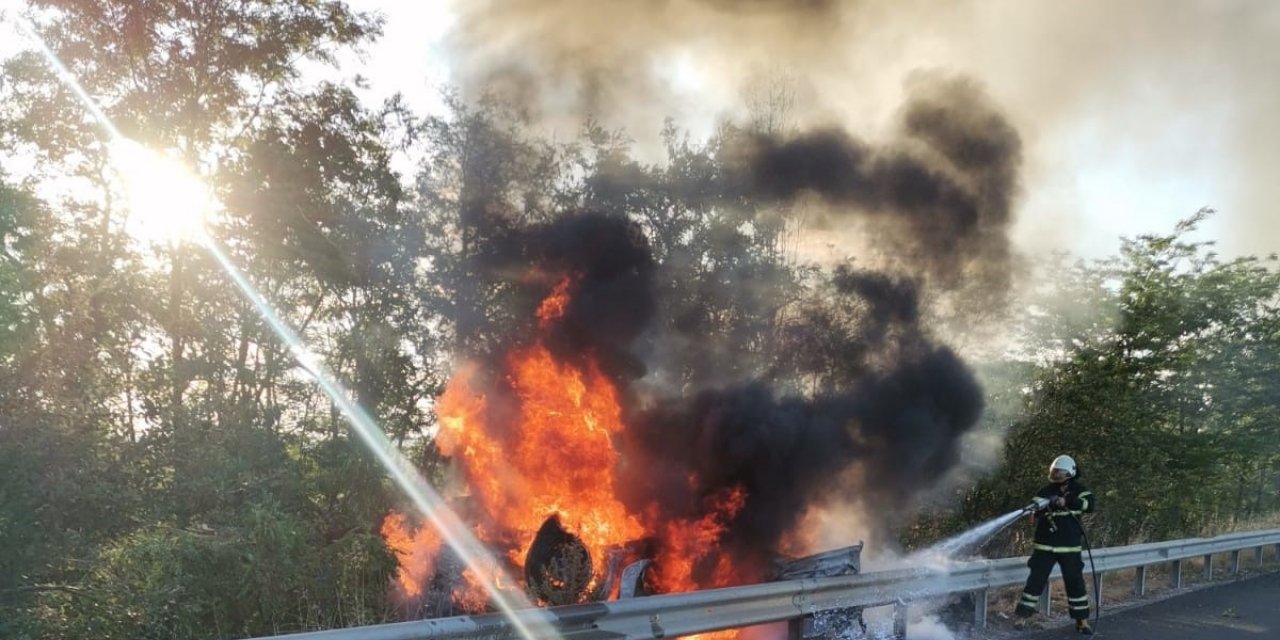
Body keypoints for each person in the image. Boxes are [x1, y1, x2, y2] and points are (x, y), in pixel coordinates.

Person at [1014, 454, 1096, 635]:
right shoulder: (1045, 491)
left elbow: (1089, 505)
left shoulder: (1079, 491)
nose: (1056, 475)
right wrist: (1033, 511)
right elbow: (1034, 506)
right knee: (1035, 581)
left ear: (1069, 473)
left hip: (1069, 547)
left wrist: (1066, 501)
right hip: (1045, 546)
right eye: (1055, 472)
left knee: (1075, 583)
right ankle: (1022, 617)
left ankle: (1082, 621)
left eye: (1059, 472)